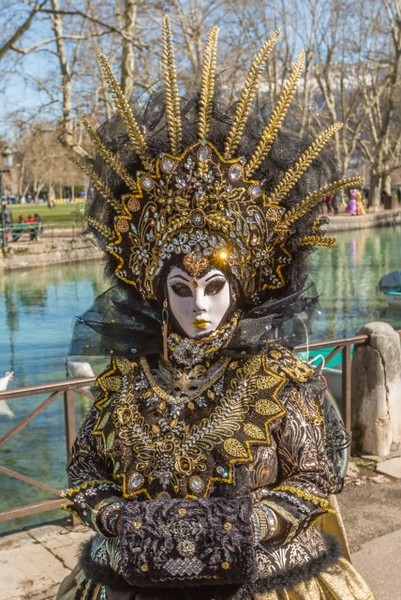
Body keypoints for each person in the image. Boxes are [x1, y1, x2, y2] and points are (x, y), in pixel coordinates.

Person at [57, 19, 373, 600]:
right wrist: (121, 523)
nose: (198, 306)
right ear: (158, 291)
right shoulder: (127, 381)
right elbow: (83, 475)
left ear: (242, 287)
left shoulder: (279, 380)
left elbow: (316, 477)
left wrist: (240, 528)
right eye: (181, 289)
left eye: (215, 287)